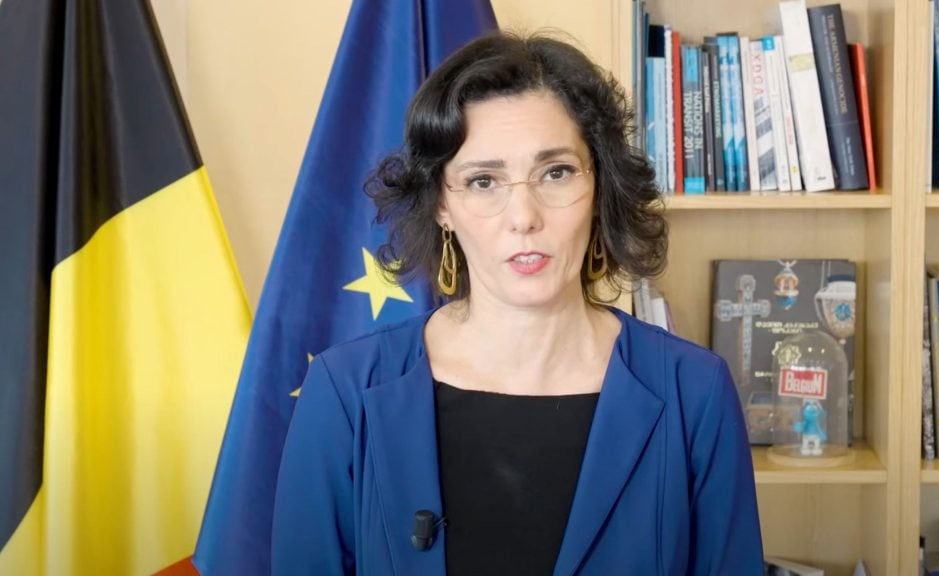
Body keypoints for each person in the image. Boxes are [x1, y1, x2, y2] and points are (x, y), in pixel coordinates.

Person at [271, 32, 763, 575]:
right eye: (484, 180)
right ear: (441, 206)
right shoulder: (346, 393)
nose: (523, 216)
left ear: (600, 186)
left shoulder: (695, 394)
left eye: (556, 172)